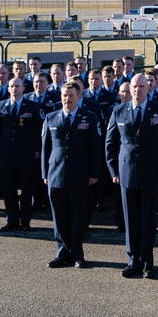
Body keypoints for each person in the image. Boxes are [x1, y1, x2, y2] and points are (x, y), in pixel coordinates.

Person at [105, 75, 158, 279]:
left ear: (148, 88)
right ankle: (133, 260)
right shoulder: (118, 111)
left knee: (148, 221)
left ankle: (147, 262)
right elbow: (110, 144)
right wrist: (113, 171)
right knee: (130, 220)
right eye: (134, 86)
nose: (138, 90)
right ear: (129, 88)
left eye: (142, 86)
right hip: (125, 174)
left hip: (151, 173)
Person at [42, 82, 102, 268]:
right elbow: (45, 148)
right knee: (59, 217)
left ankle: (77, 254)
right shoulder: (51, 117)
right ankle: (62, 252)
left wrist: (94, 173)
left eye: (71, 96)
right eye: (64, 96)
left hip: (80, 175)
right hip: (56, 175)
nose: (67, 99)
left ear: (78, 97)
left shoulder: (89, 117)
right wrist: (45, 173)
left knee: (77, 217)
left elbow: (95, 147)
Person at [0, 78, 43, 232]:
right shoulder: (0, 106)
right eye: (12, 86)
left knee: (26, 191)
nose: (14, 89)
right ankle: (12, 220)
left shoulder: (32, 106)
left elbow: (40, 129)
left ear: (23, 88)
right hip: (7, 155)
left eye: (17, 86)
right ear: (8, 89)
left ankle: (25, 221)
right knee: (9, 190)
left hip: (26, 155)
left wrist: (37, 149)